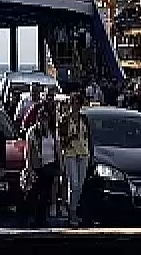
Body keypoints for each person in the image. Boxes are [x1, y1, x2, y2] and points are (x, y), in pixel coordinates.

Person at [23, 102, 62, 228]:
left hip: (49, 166)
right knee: (34, 194)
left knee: (46, 195)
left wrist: (60, 165)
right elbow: (28, 151)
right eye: (41, 118)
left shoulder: (52, 132)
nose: (43, 121)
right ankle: (31, 218)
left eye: (45, 118)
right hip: (37, 167)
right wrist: (29, 168)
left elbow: (57, 149)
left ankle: (42, 218)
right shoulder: (32, 132)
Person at [59, 92, 91, 226]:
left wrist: (90, 153)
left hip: (83, 153)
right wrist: (70, 138)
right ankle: (71, 213)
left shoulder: (84, 119)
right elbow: (60, 140)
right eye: (73, 103)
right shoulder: (64, 119)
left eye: (78, 103)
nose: (75, 106)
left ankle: (74, 210)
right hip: (70, 153)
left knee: (81, 185)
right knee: (74, 184)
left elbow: (88, 137)